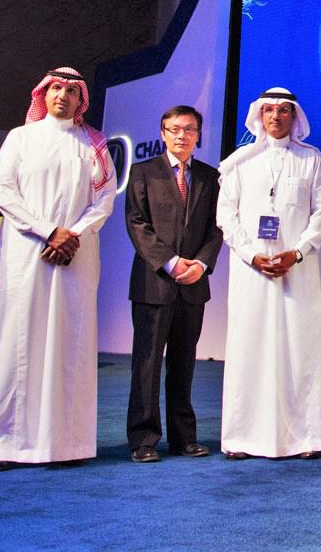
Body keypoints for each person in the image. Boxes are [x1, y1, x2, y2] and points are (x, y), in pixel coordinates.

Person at [0, 67, 116, 469]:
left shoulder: (94, 144)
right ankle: (2, 445)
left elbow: (104, 198)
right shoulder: (20, 138)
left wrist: (72, 235)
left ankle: (64, 445)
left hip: (77, 255)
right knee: (17, 343)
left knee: (69, 345)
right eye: (56, 88)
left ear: (80, 100)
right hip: (26, 253)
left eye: (71, 91)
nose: (62, 96)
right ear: (43, 93)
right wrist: (49, 232)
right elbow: (5, 193)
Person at [216, 87, 321, 459]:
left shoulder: (311, 160)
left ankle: (305, 439)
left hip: (297, 271)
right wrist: (252, 256)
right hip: (251, 272)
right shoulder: (239, 162)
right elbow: (226, 217)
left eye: (283, 110)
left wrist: (295, 254)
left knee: (299, 351)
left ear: (294, 116)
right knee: (248, 348)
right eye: (269, 110)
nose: (276, 116)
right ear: (259, 116)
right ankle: (242, 438)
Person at [124, 104, 223, 463]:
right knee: (147, 364)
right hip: (154, 283)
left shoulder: (211, 177)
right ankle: (144, 439)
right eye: (175, 129)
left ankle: (184, 438)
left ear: (198, 135)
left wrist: (200, 264)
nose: (182, 135)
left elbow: (216, 228)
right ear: (163, 134)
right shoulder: (143, 172)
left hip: (193, 284)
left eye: (189, 129)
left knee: (184, 364)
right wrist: (170, 261)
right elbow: (137, 223)